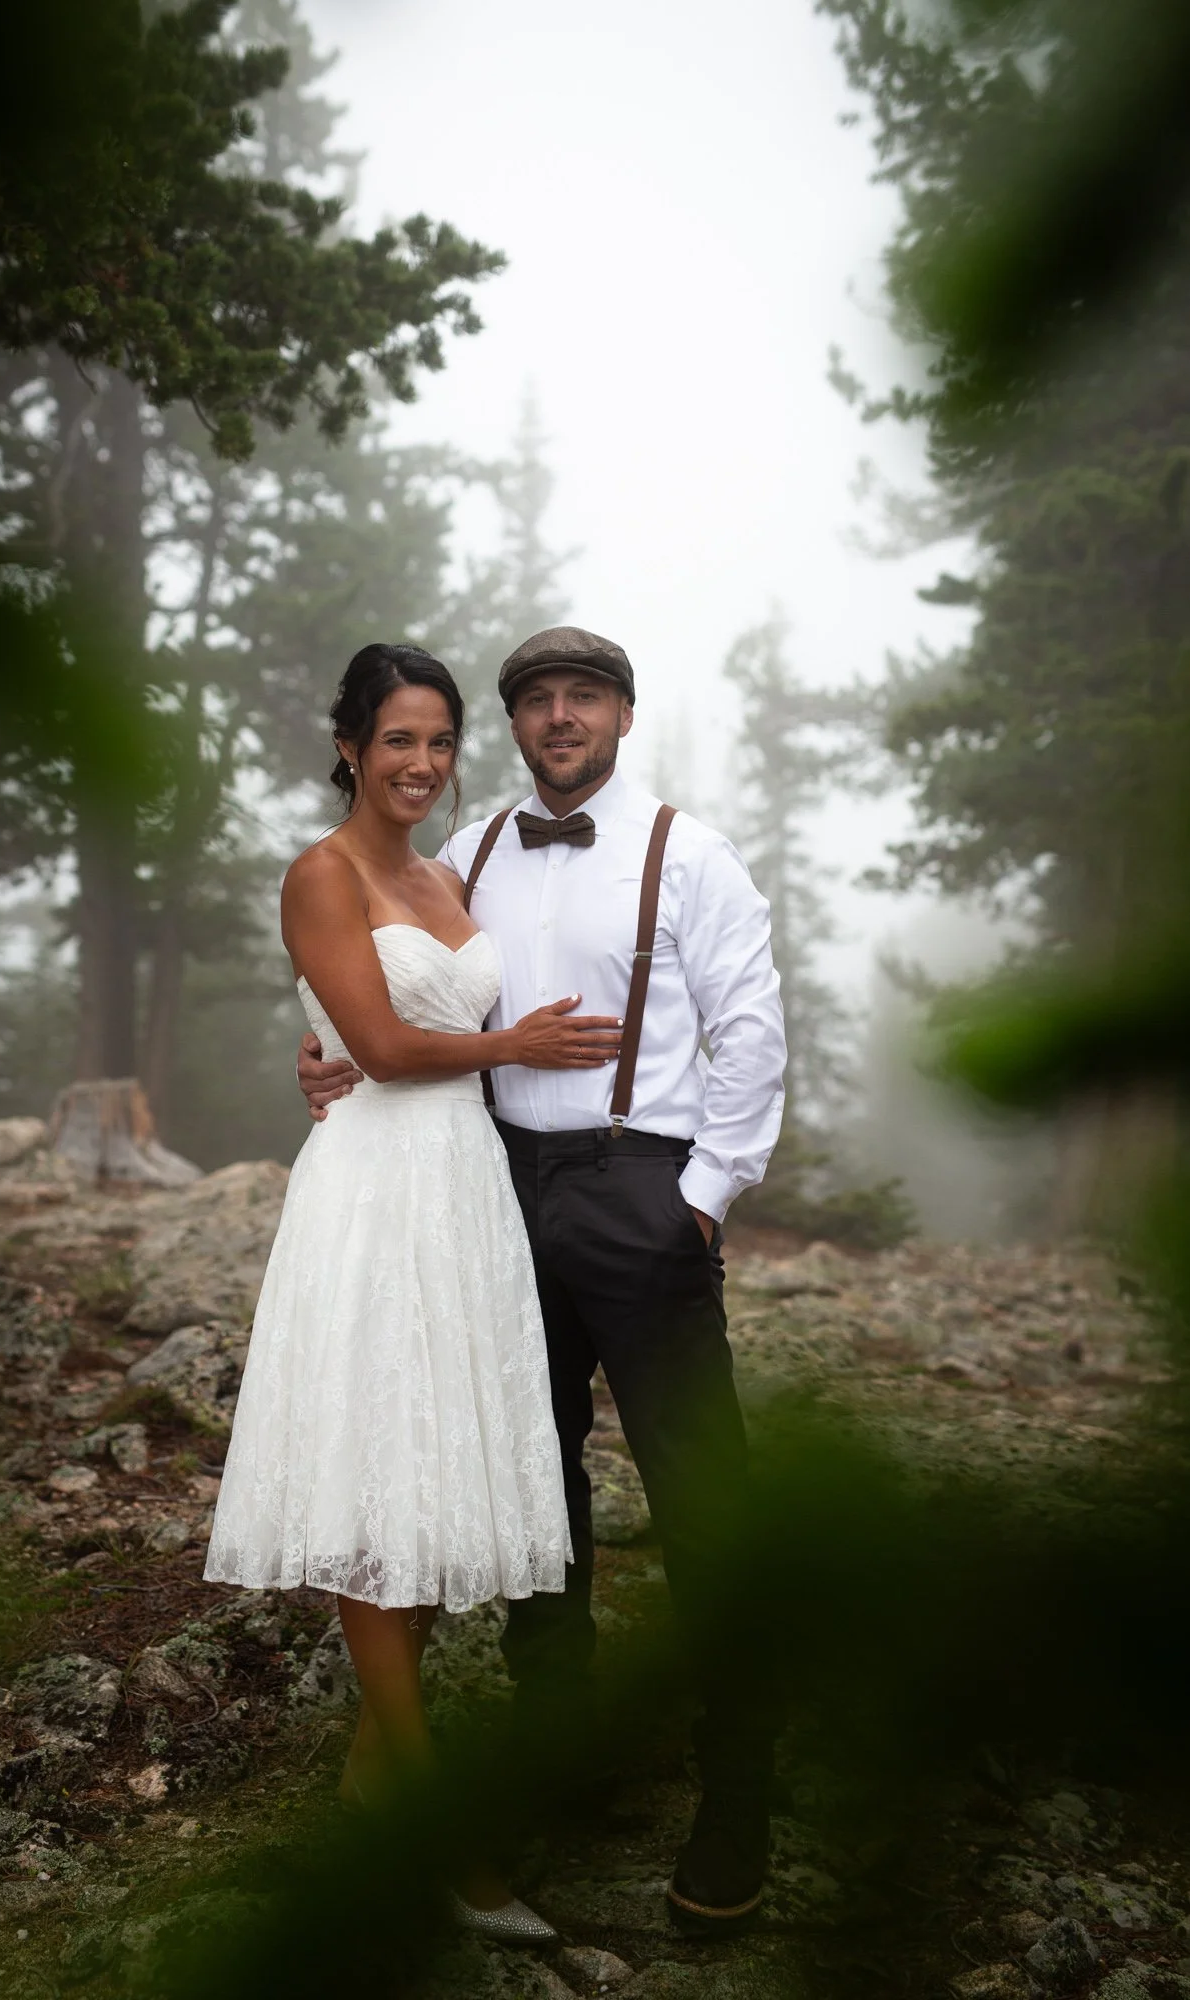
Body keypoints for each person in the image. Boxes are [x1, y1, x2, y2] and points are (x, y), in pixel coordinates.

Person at [298, 625, 787, 1936]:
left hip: (644, 1188)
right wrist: (324, 1059)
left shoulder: (691, 852)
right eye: (536, 702)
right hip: (500, 1191)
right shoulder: (472, 854)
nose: (560, 717)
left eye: (585, 697)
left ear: (624, 714)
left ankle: (738, 1803)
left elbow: (750, 1029)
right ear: (516, 726)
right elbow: (392, 990)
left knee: (700, 1492)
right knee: (536, 1492)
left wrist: (698, 1200)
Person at [205, 640, 628, 1945]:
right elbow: (383, 1049)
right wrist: (512, 1042)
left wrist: (350, 1050)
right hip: (379, 1192)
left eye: (440, 742)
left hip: (465, 1191)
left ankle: (368, 1787)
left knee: (441, 1490)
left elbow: (374, 1034)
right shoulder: (321, 876)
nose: (423, 763)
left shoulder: (449, 873)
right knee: (381, 1488)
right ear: (349, 746)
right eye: (398, 739)